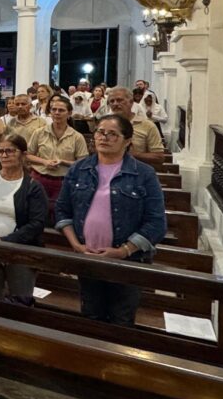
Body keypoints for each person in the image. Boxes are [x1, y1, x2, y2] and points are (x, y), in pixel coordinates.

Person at [55, 114, 166, 326]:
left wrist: (123, 251)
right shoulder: (79, 169)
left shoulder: (143, 174)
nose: (104, 137)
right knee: (91, 316)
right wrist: (76, 245)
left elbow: (156, 223)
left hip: (127, 262)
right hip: (89, 257)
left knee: (121, 320)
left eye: (112, 134)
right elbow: (62, 210)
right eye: (100, 132)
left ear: (127, 141)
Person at [0, 134, 48, 303]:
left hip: (21, 251)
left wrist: (5, 242)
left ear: (23, 155)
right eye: (1, 151)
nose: (4, 155)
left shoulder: (33, 187)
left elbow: (36, 223)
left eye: (10, 151)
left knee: (20, 300)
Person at [28, 95, 89, 209]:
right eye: (54, 110)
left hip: (63, 180)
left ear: (69, 113)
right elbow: (28, 155)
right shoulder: (39, 132)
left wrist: (63, 162)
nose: (57, 113)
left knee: (58, 213)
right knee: (36, 210)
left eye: (61, 110)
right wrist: (44, 162)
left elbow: (83, 163)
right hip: (39, 178)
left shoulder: (77, 137)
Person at [106, 87, 164, 162]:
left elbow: (159, 157)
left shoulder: (147, 125)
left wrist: (135, 155)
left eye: (119, 100)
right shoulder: (104, 124)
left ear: (131, 102)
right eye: (112, 101)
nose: (115, 104)